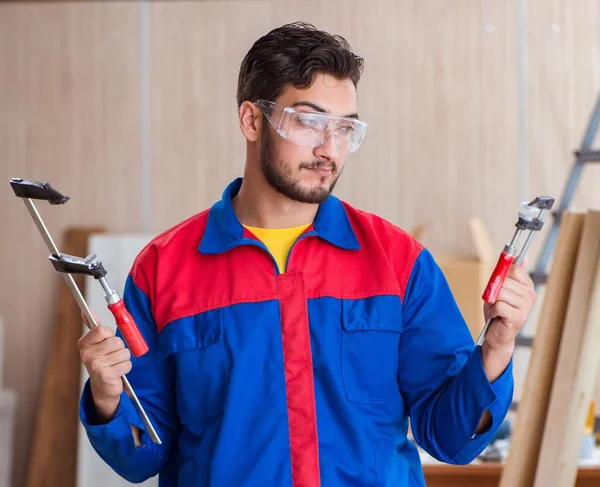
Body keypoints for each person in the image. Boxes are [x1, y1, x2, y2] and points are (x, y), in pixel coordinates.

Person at [78, 22, 536, 487]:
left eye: (344, 128)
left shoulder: (398, 263)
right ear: (252, 120)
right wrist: (107, 395)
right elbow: (140, 455)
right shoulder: (166, 268)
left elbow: (451, 439)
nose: (328, 148)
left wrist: (497, 347)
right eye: (309, 121)